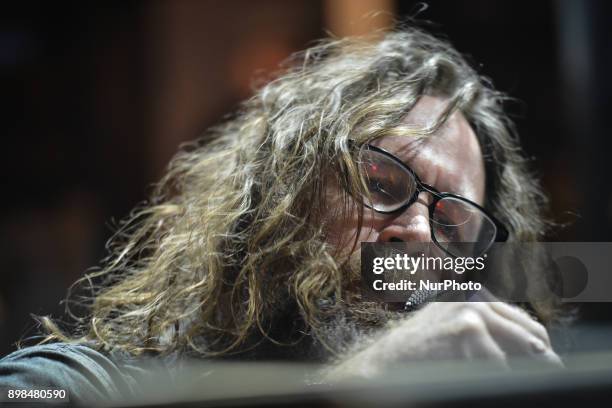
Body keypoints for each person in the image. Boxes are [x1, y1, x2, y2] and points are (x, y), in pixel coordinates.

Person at [0, 25, 563, 403]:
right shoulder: (93, 384)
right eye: (379, 183)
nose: (416, 234)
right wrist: (356, 386)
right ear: (285, 193)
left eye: (451, 225)